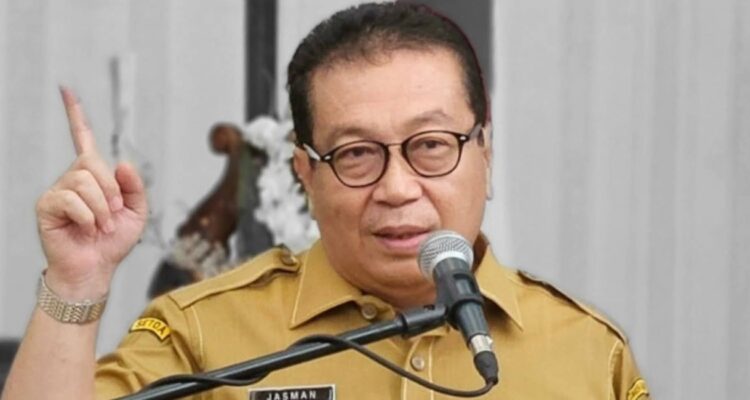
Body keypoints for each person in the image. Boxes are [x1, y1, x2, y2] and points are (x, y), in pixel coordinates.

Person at [1, 3, 650, 399]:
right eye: (357, 154)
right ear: (305, 175)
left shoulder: (589, 354)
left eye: (431, 146)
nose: (397, 188)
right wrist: (76, 284)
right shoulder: (203, 335)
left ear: (486, 153)